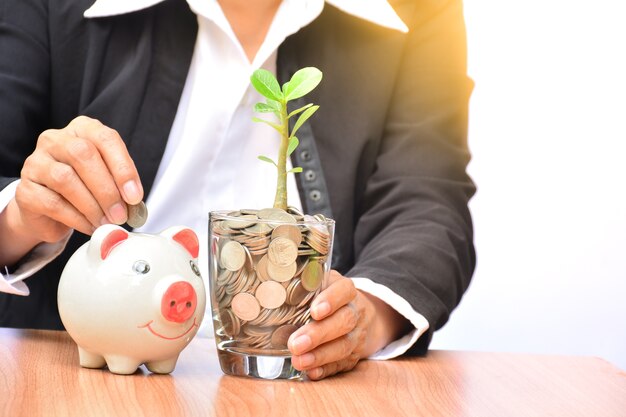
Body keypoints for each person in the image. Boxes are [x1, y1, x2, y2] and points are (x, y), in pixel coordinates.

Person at [0, 0, 475, 380]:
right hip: (75, 375)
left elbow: (428, 198)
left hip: (304, 385)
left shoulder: (420, 8)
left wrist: (366, 316)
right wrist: (21, 217)